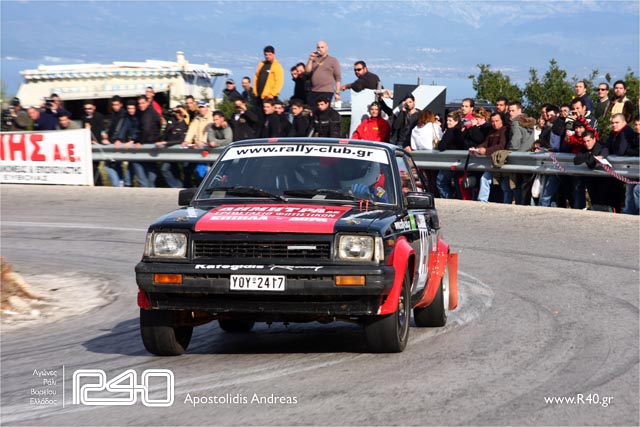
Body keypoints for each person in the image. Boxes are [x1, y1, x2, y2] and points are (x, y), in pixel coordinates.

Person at [470, 112, 508, 203]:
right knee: (484, 179)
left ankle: (506, 203)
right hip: (492, 163)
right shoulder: (491, 131)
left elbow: (501, 146)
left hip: (502, 162)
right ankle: (482, 201)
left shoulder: (505, 130)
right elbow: (486, 143)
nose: (495, 123)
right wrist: (477, 149)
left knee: (505, 185)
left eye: (497, 121)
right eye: (493, 121)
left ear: (502, 121)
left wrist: (486, 151)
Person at [131, 94, 162, 187]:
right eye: (139, 103)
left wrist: (140, 142)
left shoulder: (147, 114)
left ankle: (145, 185)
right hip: (152, 141)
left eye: (143, 103)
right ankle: (150, 186)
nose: (141, 105)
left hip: (149, 142)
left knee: (137, 162)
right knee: (150, 166)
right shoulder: (148, 112)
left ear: (148, 103)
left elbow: (146, 129)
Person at [182, 100, 213, 187]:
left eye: (202, 107)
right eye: (199, 107)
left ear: (207, 107)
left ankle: (204, 189)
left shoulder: (211, 118)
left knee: (202, 172)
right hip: (197, 148)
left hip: (207, 149)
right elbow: (192, 130)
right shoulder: (197, 118)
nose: (201, 109)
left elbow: (209, 131)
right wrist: (187, 140)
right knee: (188, 168)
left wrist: (203, 141)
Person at [436, 111, 465, 199]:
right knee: (456, 182)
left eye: (450, 120)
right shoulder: (459, 131)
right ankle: (459, 199)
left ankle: (447, 199)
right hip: (459, 161)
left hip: (449, 161)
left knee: (441, 182)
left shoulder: (450, 131)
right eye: (447, 120)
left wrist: (439, 142)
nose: (448, 122)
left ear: (456, 121)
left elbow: (442, 146)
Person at [158, 107, 189, 188]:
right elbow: (164, 112)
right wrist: (174, 109)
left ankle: (177, 186)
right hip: (168, 150)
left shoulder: (185, 125)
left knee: (165, 169)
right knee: (173, 170)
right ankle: (177, 187)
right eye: (177, 113)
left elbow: (181, 140)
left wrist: (167, 142)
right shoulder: (172, 120)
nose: (178, 114)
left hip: (177, 151)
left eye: (180, 113)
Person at [306, 40, 341, 106]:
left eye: (322, 47)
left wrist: (337, 93)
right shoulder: (314, 59)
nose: (320, 49)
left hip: (326, 91)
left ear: (326, 48)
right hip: (314, 90)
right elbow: (307, 71)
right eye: (318, 47)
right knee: (312, 110)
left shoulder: (333, 60)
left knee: (323, 109)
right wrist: (310, 60)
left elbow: (338, 78)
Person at [253, 45, 284, 114]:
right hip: (259, 96)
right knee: (259, 115)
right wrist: (255, 91)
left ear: (274, 54)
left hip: (269, 97)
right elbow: (256, 77)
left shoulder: (277, 66)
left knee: (270, 116)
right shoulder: (261, 64)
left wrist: (272, 94)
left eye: (269, 54)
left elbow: (279, 82)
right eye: (266, 54)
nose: (267, 56)